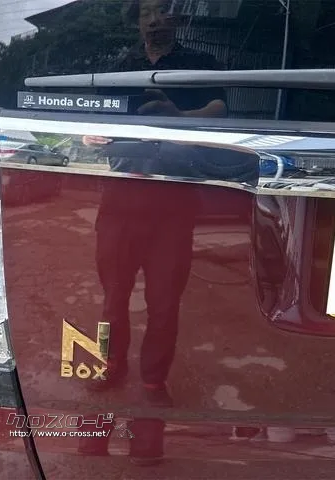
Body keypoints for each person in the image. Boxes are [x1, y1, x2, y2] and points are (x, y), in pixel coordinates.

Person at [86, 0, 231, 407]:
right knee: (112, 296)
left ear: (177, 18)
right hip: (120, 198)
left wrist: (177, 113)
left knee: (165, 302)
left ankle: (154, 380)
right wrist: (91, 135)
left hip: (174, 200)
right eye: (146, 13)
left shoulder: (200, 64)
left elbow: (219, 110)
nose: (153, 21)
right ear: (137, 22)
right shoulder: (121, 67)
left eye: (162, 11)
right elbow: (96, 120)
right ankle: (109, 364)